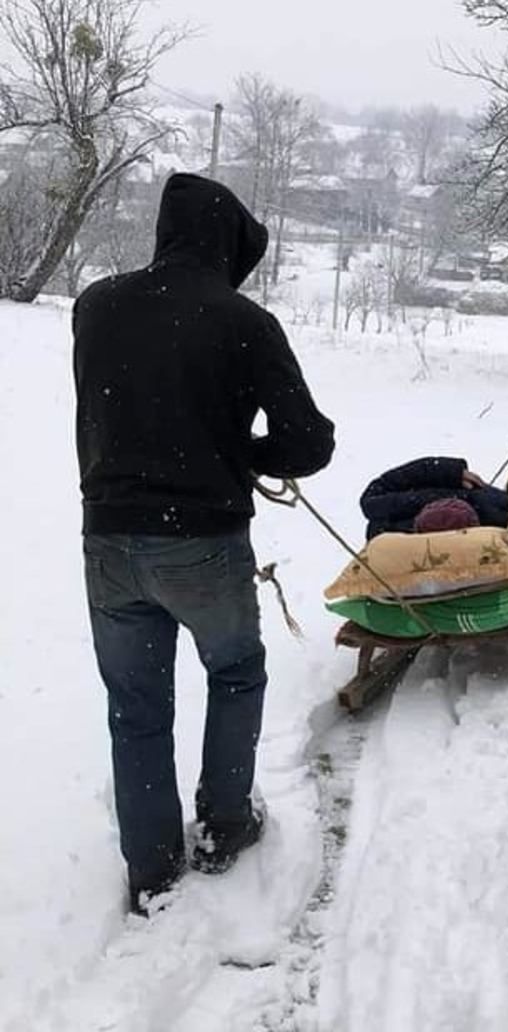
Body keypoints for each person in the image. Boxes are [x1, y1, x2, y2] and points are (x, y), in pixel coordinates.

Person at [73, 172, 336, 916]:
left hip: (108, 540)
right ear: (228, 243)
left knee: (136, 707)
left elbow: (125, 404)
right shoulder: (243, 322)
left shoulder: (96, 305)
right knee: (236, 671)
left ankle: (152, 870)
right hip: (202, 543)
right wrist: (242, 454)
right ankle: (224, 825)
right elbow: (309, 442)